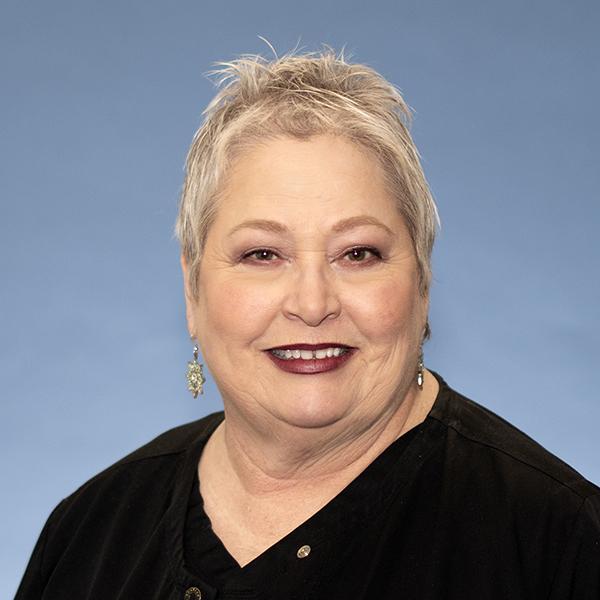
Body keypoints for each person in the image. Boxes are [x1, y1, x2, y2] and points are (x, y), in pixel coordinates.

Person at [16, 48, 600, 600]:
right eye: (262, 254)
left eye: (358, 254)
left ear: (422, 283)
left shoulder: (560, 543)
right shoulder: (91, 530)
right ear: (192, 290)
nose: (313, 303)